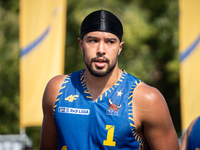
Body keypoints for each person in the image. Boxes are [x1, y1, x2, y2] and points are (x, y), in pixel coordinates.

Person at [39, 9, 179, 150]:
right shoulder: (57, 89)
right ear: (81, 45)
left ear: (120, 47)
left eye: (110, 42)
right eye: (93, 40)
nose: (101, 49)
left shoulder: (146, 99)